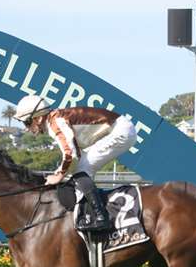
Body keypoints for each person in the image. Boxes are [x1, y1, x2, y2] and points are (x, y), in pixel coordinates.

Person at [12, 94, 137, 231]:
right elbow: (73, 154)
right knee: (78, 168)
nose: (26, 128)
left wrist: (58, 176)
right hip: (117, 128)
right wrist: (59, 173)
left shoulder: (56, 123)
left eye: (27, 122)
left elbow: (71, 154)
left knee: (82, 169)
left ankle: (101, 217)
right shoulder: (54, 120)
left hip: (120, 131)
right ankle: (91, 210)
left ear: (39, 118)